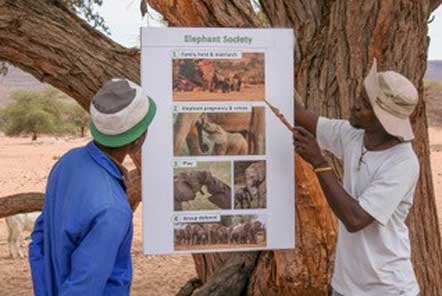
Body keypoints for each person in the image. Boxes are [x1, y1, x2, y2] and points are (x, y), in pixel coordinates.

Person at [293, 59, 420, 296]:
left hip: (387, 289)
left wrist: (319, 163)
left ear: (384, 119)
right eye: (359, 97)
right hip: (346, 287)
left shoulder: (401, 163)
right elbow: (299, 115)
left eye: (365, 103)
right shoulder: (353, 135)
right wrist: (267, 60)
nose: (354, 105)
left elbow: (355, 219)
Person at [29, 79, 157, 295]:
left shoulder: (67, 163)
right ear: (137, 140)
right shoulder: (113, 209)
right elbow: (83, 287)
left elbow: (39, 240)